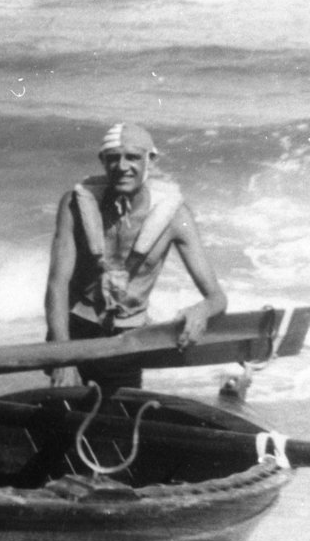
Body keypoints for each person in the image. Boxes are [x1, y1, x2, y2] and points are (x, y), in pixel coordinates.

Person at [45, 122, 227, 397]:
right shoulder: (73, 205)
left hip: (128, 340)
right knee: (64, 417)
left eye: (132, 157)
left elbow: (217, 297)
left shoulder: (175, 217)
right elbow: (57, 284)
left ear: (149, 161)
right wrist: (62, 356)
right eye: (113, 158)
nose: (122, 166)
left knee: (118, 418)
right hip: (74, 333)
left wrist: (201, 311)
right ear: (102, 161)